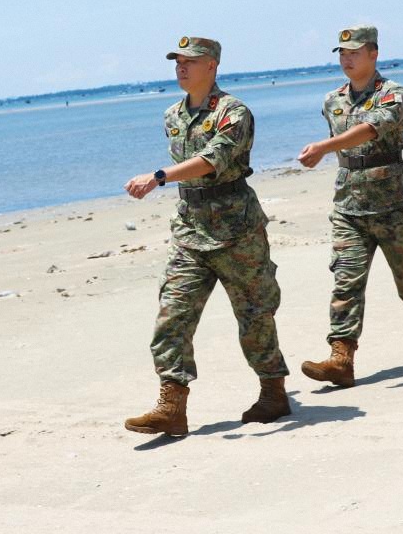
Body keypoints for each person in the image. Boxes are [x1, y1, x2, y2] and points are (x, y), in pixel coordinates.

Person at [123, 36, 291, 436]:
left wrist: (159, 176)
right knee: (172, 315)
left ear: (212, 65)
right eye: (177, 62)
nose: (181, 68)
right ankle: (172, 404)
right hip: (190, 229)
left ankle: (273, 391)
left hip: (236, 231)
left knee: (254, 316)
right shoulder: (173, 115)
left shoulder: (234, 112)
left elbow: (213, 159)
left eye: (190, 61)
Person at [297, 25, 403, 387]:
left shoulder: (394, 94)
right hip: (349, 204)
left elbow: (371, 128)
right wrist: (326, 151)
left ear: (373, 53)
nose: (347, 59)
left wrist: (323, 148)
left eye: (354, 53)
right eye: (342, 53)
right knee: (345, 280)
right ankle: (341, 357)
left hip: (393, 204)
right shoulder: (332, 100)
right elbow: (343, 142)